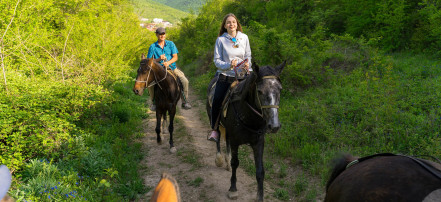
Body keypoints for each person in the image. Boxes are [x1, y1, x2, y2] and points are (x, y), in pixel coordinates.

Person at [208, 13, 252, 142]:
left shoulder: (244, 37)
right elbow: (216, 61)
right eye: (228, 22)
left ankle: (255, 127)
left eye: (233, 22)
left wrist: (247, 64)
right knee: (217, 100)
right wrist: (228, 65)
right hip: (226, 76)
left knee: (256, 97)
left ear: (237, 24)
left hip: (243, 76)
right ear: (224, 25)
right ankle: (214, 129)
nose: (231, 24)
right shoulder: (220, 40)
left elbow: (248, 54)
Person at [147, 27, 192, 111]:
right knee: (150, 84)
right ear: (156, 35)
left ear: (165, 34)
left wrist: (168, 63)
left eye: (163, 34)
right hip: (158, 70)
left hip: (171, 68)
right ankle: (153, 103)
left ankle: (185, 101)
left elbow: (175, 57)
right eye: (160, 34)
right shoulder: (152, 46)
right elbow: (149, 61)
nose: (162, 35)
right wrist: (158, 59)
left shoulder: (171, 44)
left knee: (185, 81)